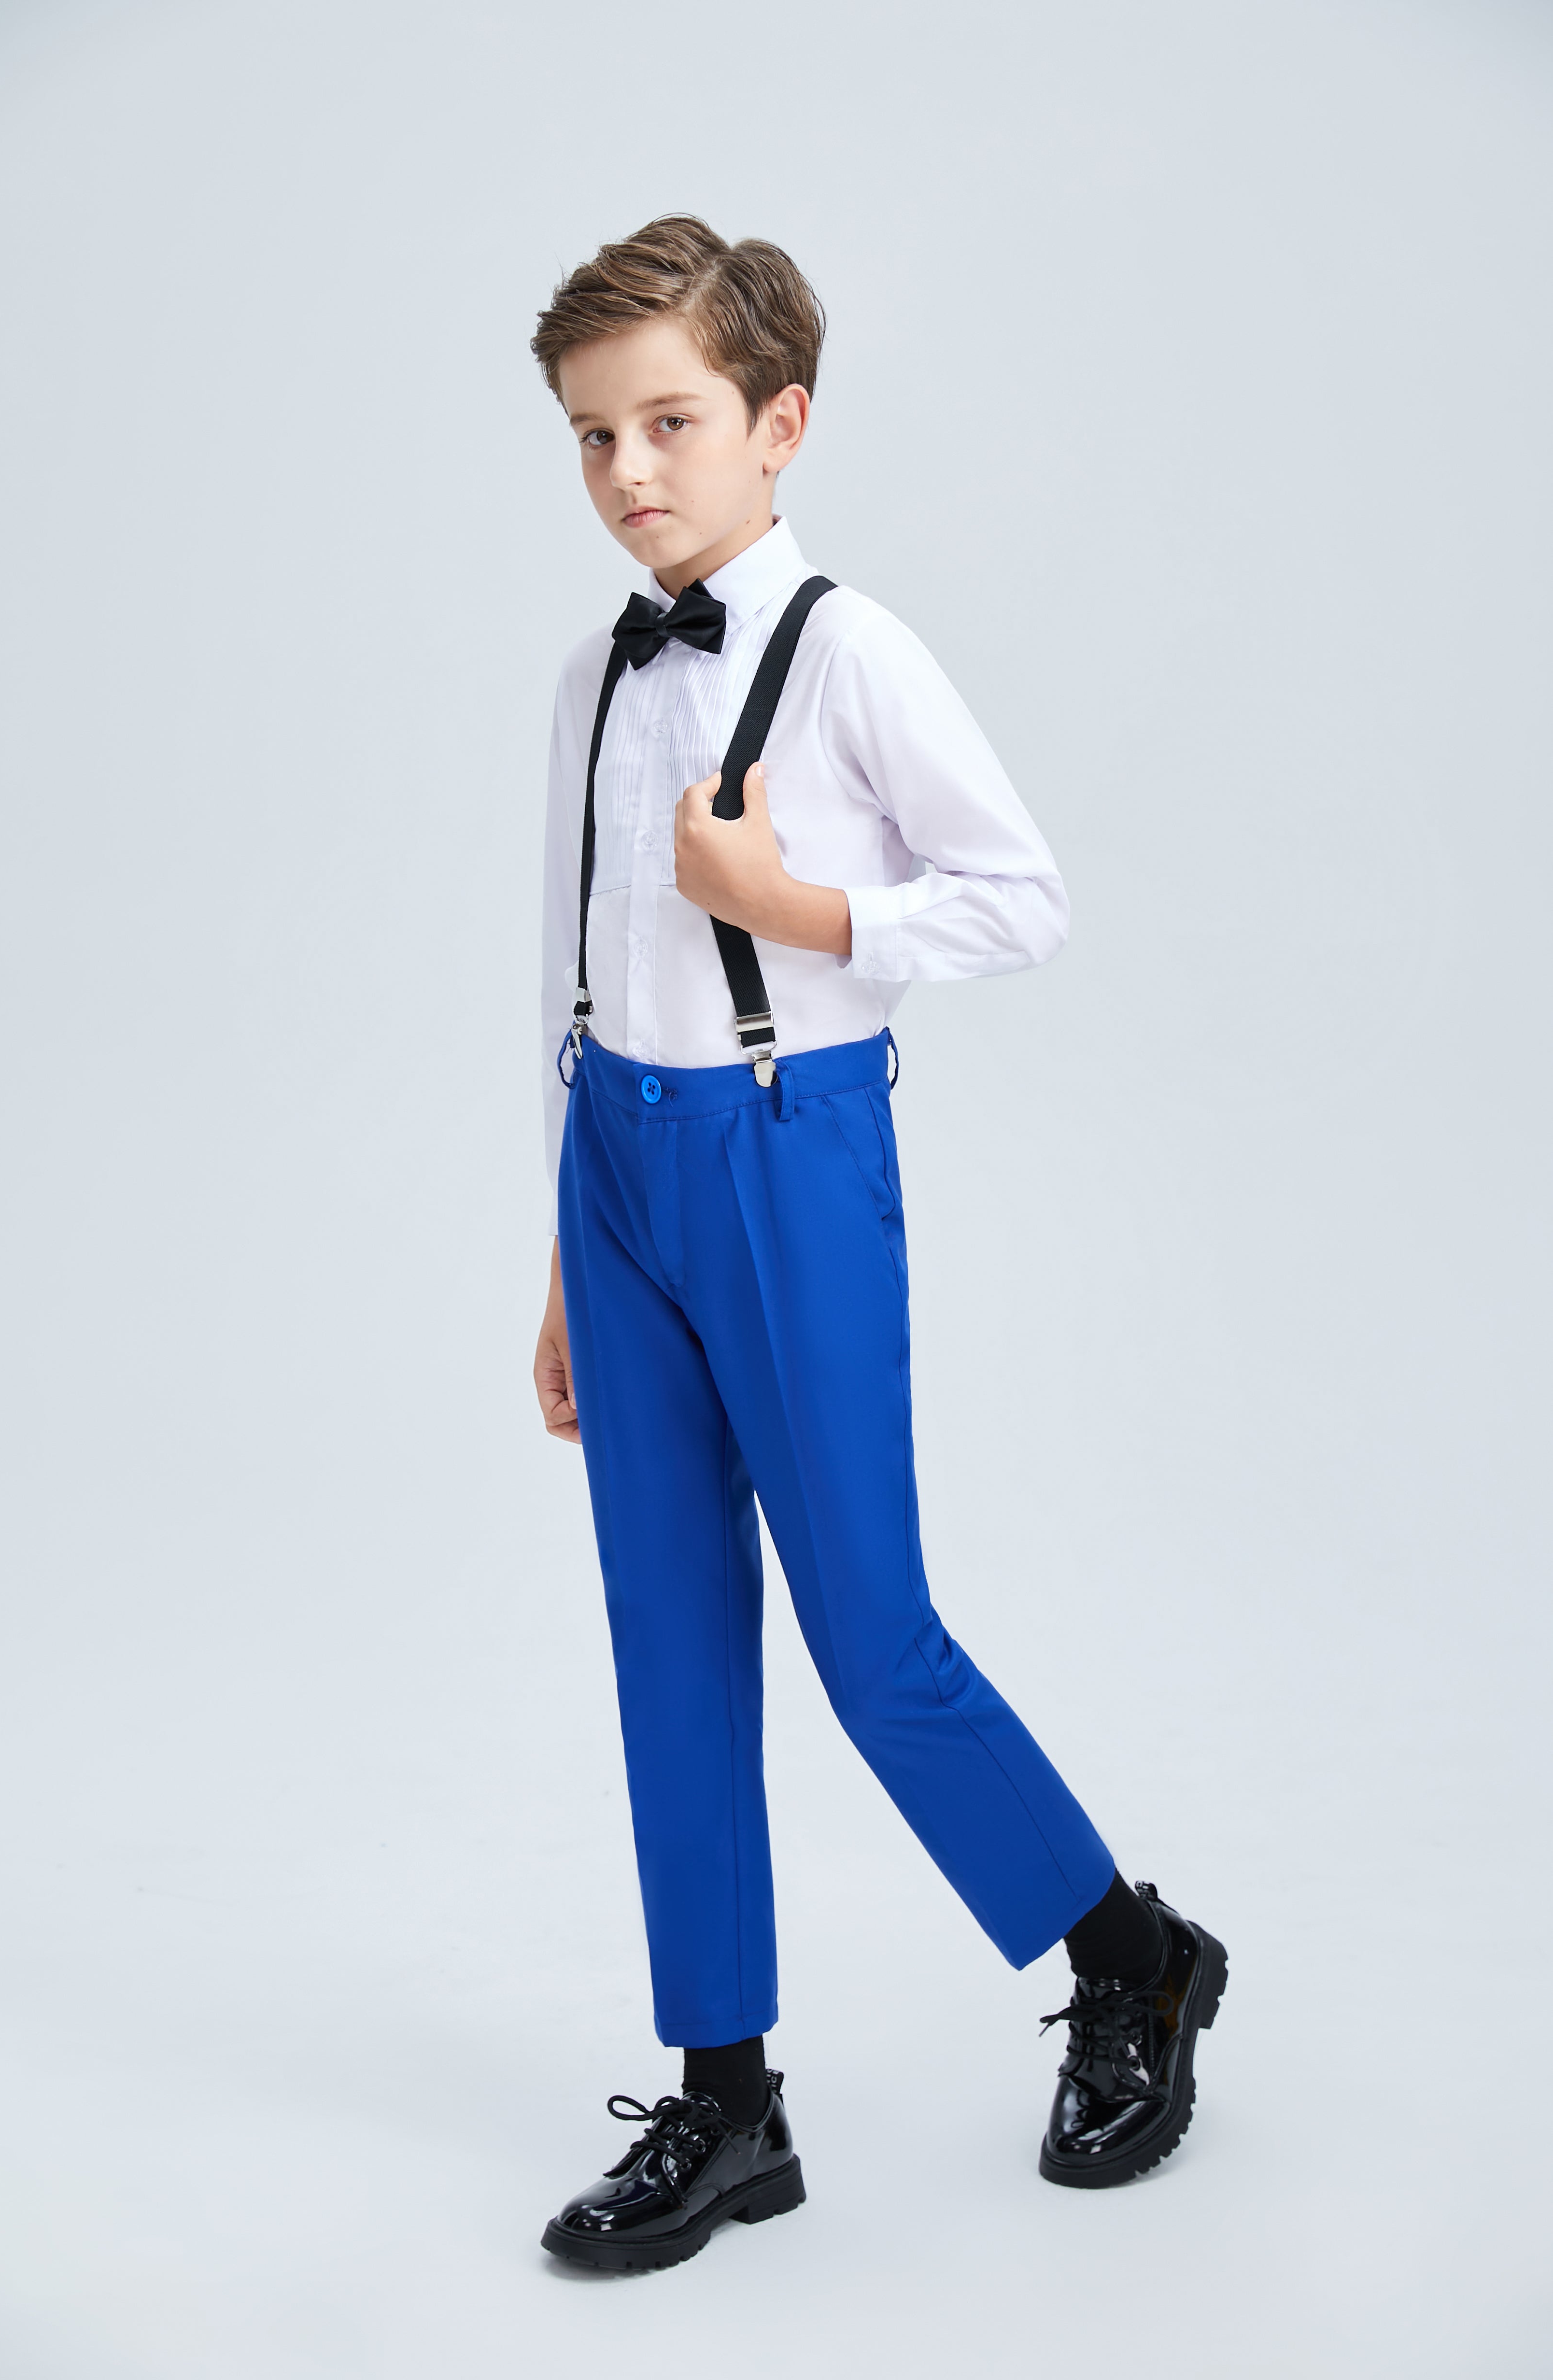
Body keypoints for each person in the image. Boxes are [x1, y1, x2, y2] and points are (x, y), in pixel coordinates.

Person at [528, 216, 1226, 2271]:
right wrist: (559, 1251)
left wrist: (804, 911)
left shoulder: (850, 654)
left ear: (781, 424)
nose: (630, 470)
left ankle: (1130, 1952)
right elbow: (560, 965)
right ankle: (729, 2099)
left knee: (869, 1633)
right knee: (668, 1640)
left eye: (670, 422)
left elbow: (1024, 896)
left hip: (788, 1152)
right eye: (593, 436)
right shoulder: (591, 675)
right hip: (616, 1169)